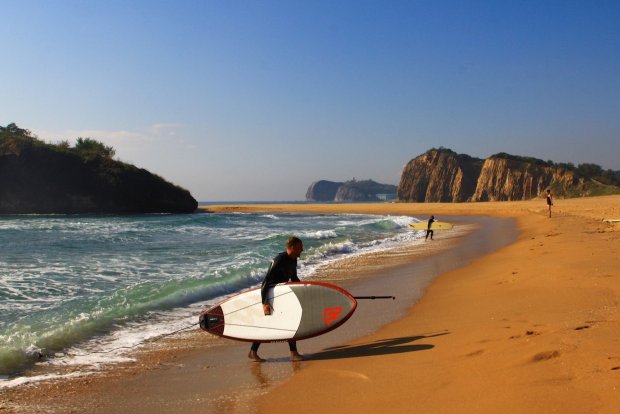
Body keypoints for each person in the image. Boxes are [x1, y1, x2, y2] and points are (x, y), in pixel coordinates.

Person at [248, 237, 304, 362]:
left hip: (282, 295)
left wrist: (305, 288)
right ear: (293, 247)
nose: (302, 250)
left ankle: (253, 351)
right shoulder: (279, 260)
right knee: (271, 324)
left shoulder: (293, 260)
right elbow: (265, 282)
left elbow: (294, 278)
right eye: (300, 247)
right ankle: (293, 353)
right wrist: (265, 303)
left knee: (289, 322)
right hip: (271, 295)